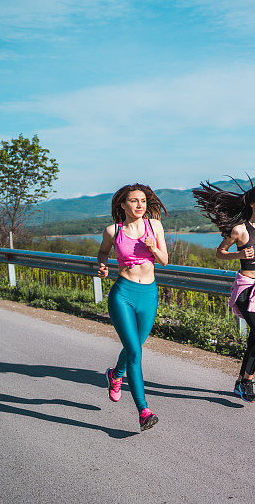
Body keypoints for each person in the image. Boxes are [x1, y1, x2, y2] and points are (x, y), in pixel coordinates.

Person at [192, 182, 255, 402]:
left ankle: (241, 382)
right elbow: (220, 252)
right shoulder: (240, 230)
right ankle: (247, 381)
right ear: (252, 203)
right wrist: (237, 256)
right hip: (246, 289)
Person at [97, 184, 168, 430]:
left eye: (143, 201)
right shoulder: (113, 230)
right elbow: (103, 252)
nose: (140, 205)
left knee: (134, 347)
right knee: (135, 352)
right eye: (134, 201)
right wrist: (103, 266)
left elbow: (165, 261)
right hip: (123, 294)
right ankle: (143, 410)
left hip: (148, 294)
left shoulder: (154, 226)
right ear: (123, 205)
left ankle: (115, 375)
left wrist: (153, 247)